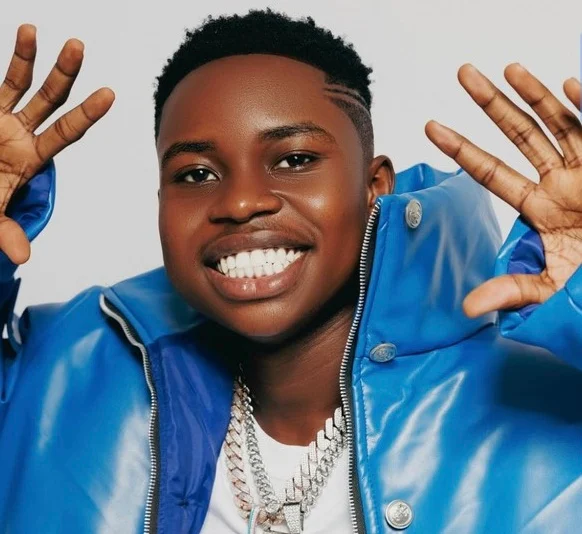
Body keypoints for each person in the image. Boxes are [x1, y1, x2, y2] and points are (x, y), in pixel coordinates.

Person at [0, 8, 581, 534]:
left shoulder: (548, 404)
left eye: (295, 159)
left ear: (375, 187)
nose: (240, 202)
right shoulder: (58, 371)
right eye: (196, 174)